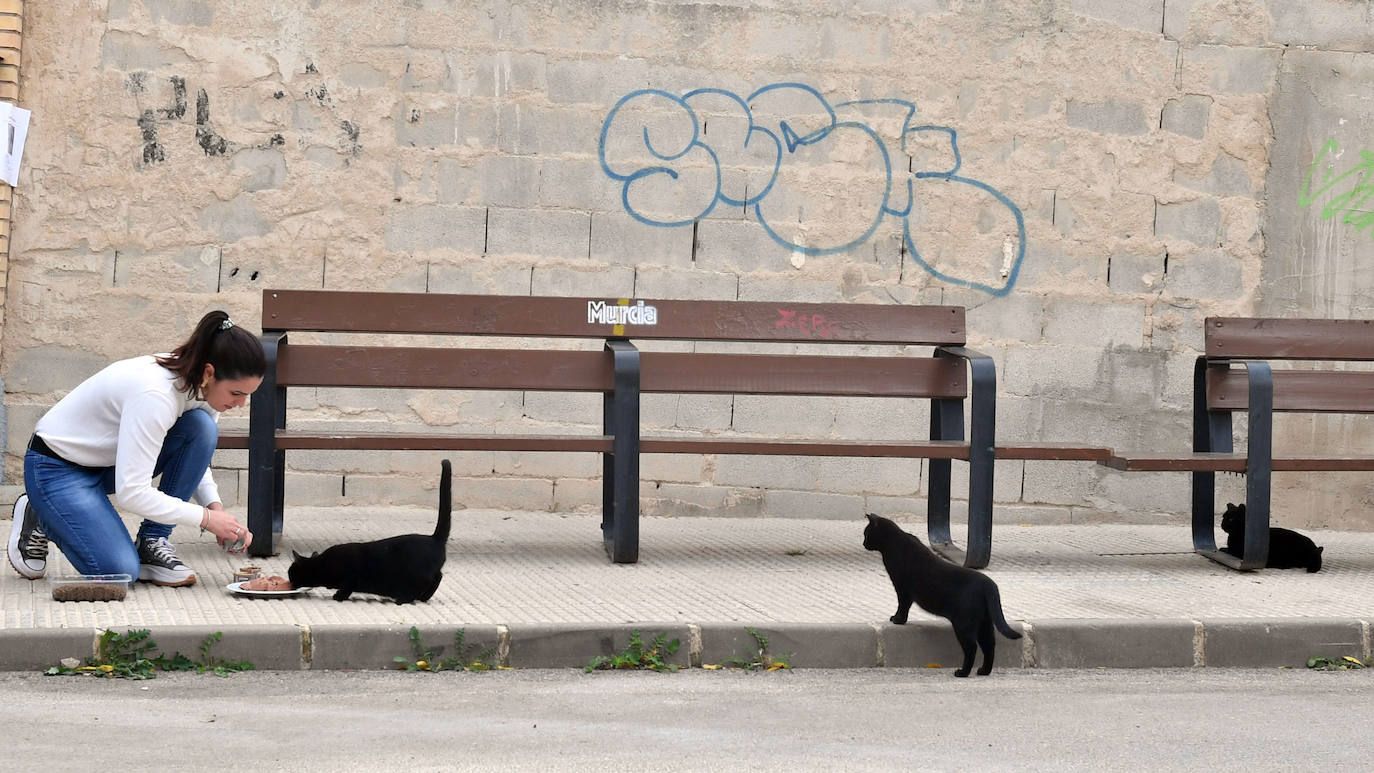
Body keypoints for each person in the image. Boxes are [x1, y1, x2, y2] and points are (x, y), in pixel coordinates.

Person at [7, 310, 265, 587]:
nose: (241, 405)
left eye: (247, 396)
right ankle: (40, 512)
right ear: (209, 372)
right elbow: (132, 493)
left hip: (107, 464)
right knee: (119, 573)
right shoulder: (155, 395)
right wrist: (206, 519)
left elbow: (195, 455)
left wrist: (216, 509)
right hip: (56, 467)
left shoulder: (203, 390)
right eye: (237, 394)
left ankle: (152, 541)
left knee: (202, 427)